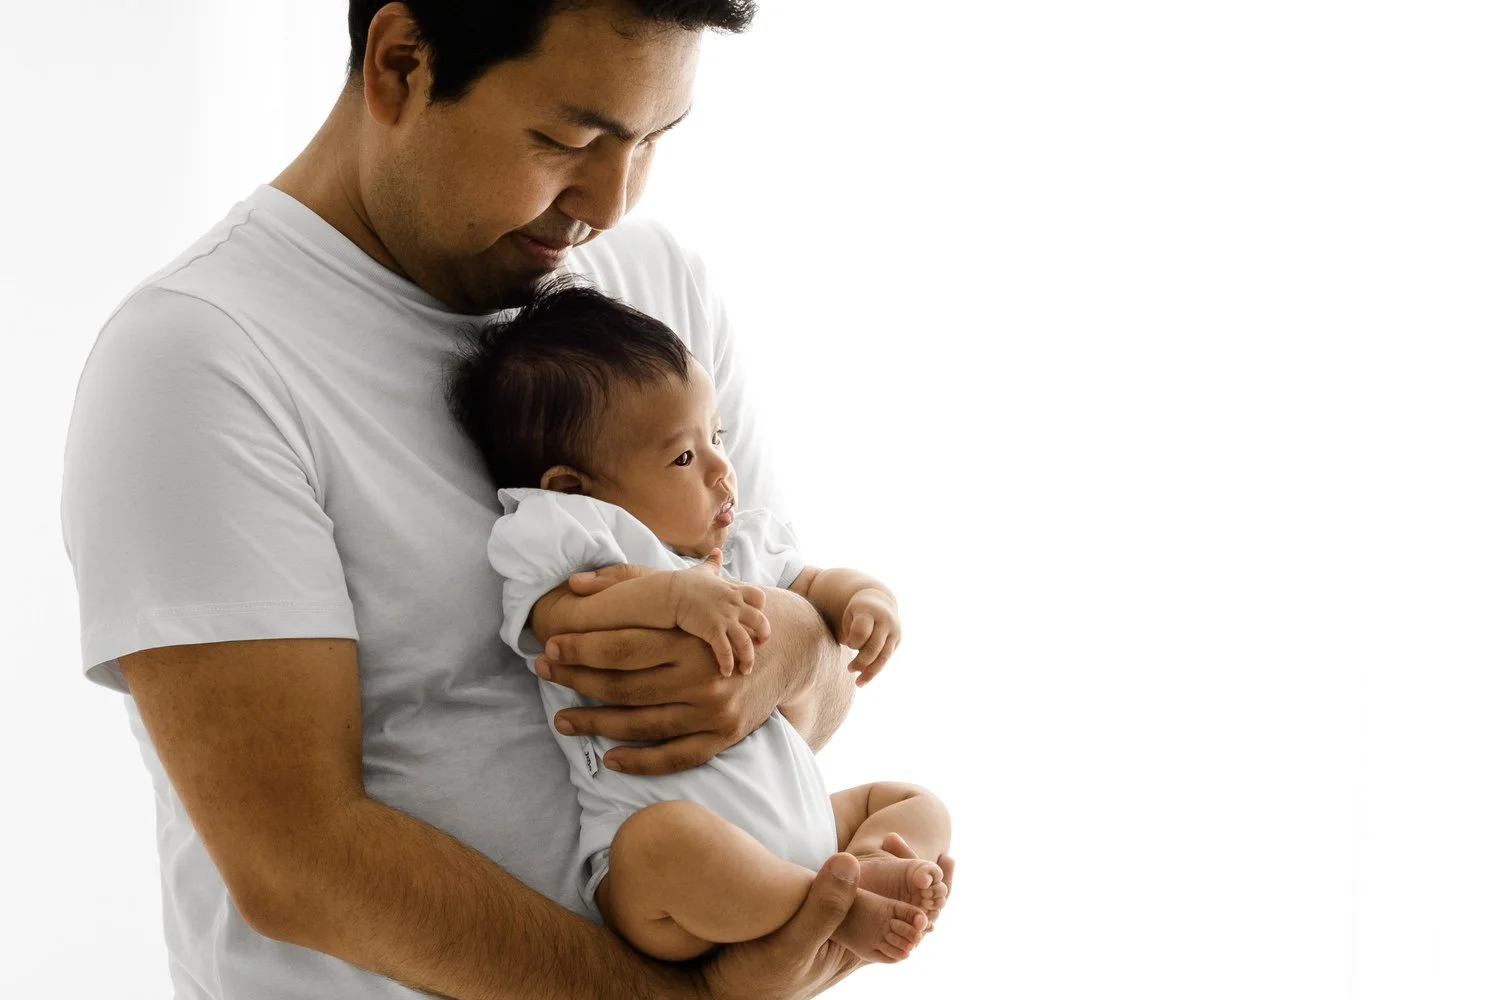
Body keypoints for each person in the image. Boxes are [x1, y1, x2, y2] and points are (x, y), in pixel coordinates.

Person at [59, 2, 954, 998]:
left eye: (653, 140)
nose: (610, 201)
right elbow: (299, 858)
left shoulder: (651, 290)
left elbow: (808, 687)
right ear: (401, 64)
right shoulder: (202, 359)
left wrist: (788, 641)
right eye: (568, 139)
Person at [450, 282, 953, 964]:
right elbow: (563, 617)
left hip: (800, 827)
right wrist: (674, 599)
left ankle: (856, 868)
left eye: (715, 437)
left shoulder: (742, 545)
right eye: (684, 457)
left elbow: (812, 588)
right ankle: (832, 905)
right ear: (574, 487)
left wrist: (866, 597)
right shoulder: (574, 532)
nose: (722, 469)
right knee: (666, 844)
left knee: (917, 804)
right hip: (674, 875)